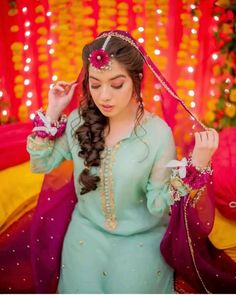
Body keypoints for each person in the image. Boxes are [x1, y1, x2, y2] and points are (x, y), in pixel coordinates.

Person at [26, 30, 221, 293]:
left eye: (116, 84)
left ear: (136, 80)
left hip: (141, 239)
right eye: (95, 84)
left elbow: (157, 205)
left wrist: (194, 168)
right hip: (86, 234)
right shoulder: (79, 121)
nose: (104, 96)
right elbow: (41, 164)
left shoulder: (156, 133)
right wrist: (53, 110)